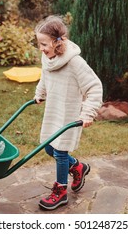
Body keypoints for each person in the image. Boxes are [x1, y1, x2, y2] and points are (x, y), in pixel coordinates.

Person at [34, 15, 103, 210]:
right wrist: (40, 93)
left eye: (44, 44)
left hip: (69, 114)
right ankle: (78, 167)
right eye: (39, 44)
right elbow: (44, 77)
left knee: (61, 152)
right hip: (53, 111)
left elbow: (94, 87)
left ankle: (61, 192)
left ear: (58, 42)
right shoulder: (47, 59)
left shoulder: (75, 63)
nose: (41, 48)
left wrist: (88, 113)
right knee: (49, 147)